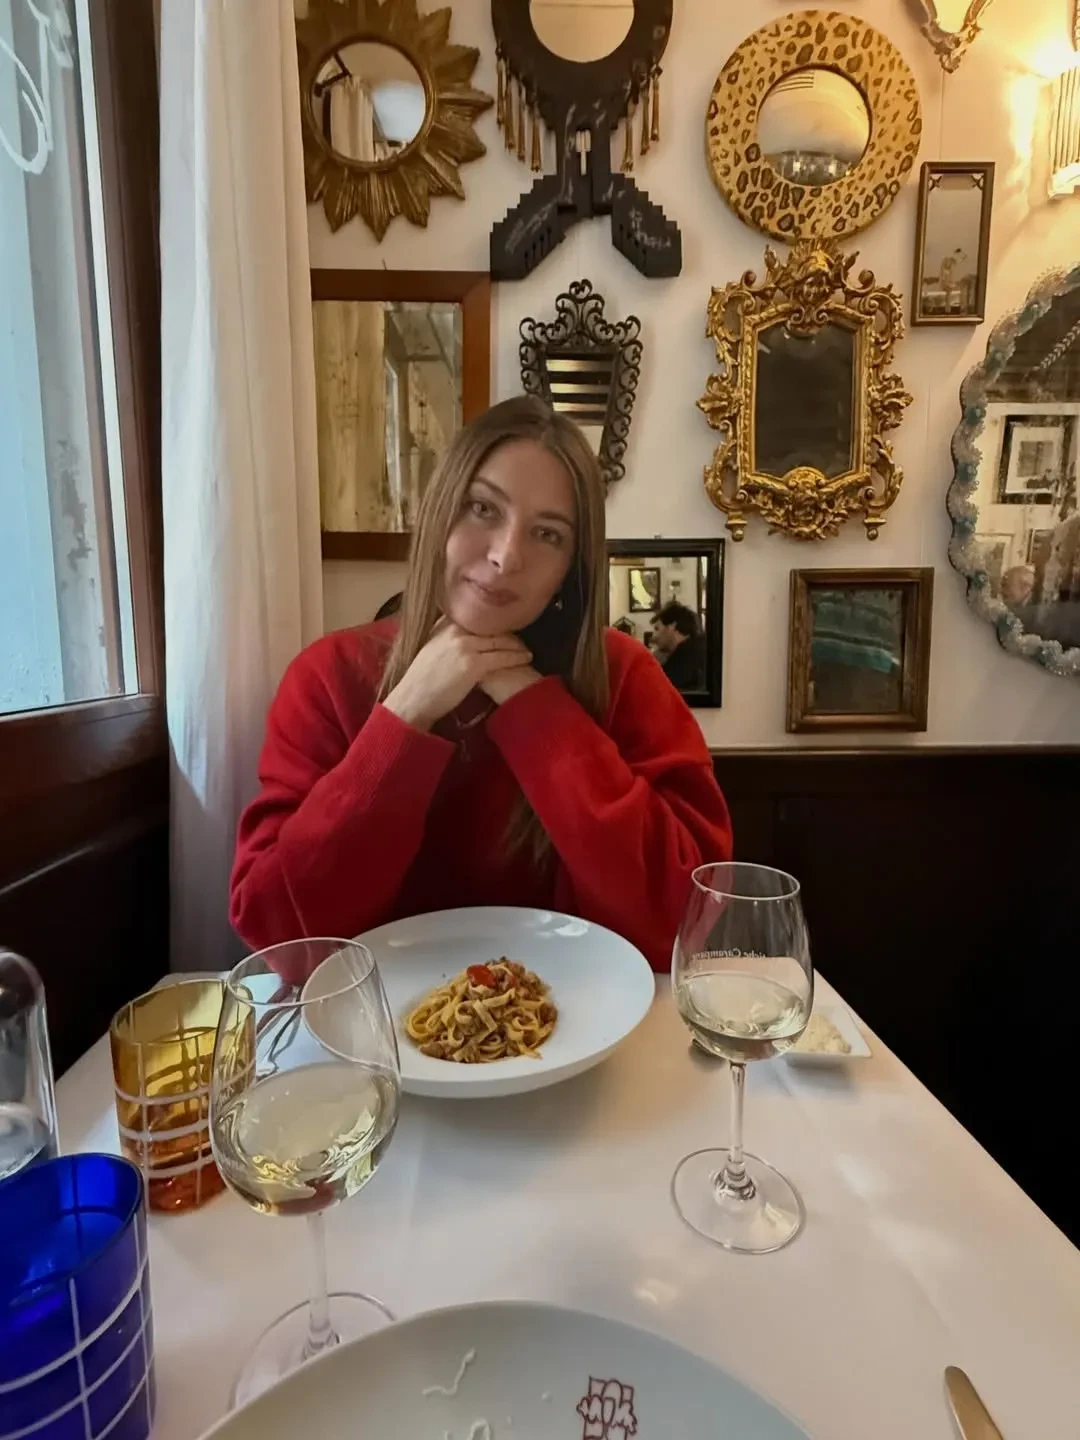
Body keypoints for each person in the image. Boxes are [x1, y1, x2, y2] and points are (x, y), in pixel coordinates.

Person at [230, 396, 733, 975]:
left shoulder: (624, 675)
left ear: (570, 571)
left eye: (548, 534)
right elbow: (282, 938)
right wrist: (405, 716)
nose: (506, 556)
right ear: (439, 513)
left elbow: (681, 923)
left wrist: (534, 707)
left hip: (582, 1014)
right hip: (374, 1025)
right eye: (482, 508)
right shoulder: (327, 675)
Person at [651, 602, 706, 692]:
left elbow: (657, 690)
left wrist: (653, 665)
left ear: (672, 626)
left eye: (657, 629)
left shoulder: (685, 658)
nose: (653, 637)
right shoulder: (698, 648)